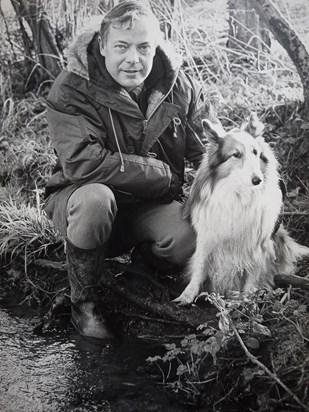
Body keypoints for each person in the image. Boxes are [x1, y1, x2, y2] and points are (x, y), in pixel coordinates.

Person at [44, 0, 218, 340]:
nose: (133, 59)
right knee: (96, 200)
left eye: (143, 48)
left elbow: (206, 154)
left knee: (189, 238)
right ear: (103, 45)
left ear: (157, 46)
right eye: (121, 47)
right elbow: (83, 162)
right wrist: (162, 177)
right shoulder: (71, 87)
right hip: (81, 200)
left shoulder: (179, 86)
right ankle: (84, 303)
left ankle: (142, 266)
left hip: (146, 207)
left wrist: (250, 186)